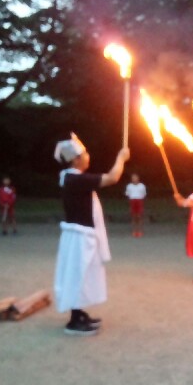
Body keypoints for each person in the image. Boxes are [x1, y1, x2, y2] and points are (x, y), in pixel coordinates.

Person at [53, 132, 130, 336]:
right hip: (79, 236)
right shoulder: (76, 180)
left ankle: (78, 313)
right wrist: (121, 158)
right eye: (85, 154)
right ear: (76, 159)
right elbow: (113, 177)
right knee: (78, 275)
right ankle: (74, 321)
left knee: (83, 274)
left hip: (81, 235)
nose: (88, 157)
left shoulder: (71, 178)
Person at [125, 173, 146, 237]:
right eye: (133, 178)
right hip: (132, 200)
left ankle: (140, 231)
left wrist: (139, 198)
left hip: (139, 200)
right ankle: (134, 231)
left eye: (135, 177)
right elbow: (127, 193)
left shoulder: (142, 185)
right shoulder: (129, 186)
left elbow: (144, 194)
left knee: (139, 216)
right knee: (133, 216)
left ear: (138, 178)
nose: (134, 179)